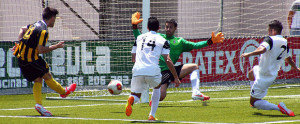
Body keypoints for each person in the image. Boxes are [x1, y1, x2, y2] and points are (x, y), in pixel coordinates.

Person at [131, 12, 224, 102]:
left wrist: (210, 41)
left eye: (171, 27)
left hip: (172, 70)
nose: (168, 29)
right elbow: (139, 38)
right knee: (161, 96)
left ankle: (196, 92)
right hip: (160, 71)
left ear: (175, 28)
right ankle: (151, 100)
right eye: (166, 27)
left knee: (194, 67)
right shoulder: (158, 37)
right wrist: (135, 27)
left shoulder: (180, 42)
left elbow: (195, 45)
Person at [12, 7, 76, 116]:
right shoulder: (43, 31)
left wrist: (19, 43)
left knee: (38, 79)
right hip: (31, 59)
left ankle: (41, 104)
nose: (55, 21)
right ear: (52, 18)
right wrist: (56, 46)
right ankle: (63, 92)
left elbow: (22, 29)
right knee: (47, 75)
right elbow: (41, 50)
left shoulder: (35, 24)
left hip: (21, 58)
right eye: (55, 18)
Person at [240, 20, 300, 116]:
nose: (268, 32)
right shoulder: (285, 42)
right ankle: (255, 93)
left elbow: (262, 49)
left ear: (273, 30)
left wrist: (249, 53)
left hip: (264, 75)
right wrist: (296, 68)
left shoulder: (270, 39)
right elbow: (288, 59)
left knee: (253, 102)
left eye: (269, 30)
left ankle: (279, 108)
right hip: (265, 71)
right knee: (251, 72)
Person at [125, 17, 181, 120]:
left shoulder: (139, 38)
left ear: (147, 27)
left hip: (138, 69)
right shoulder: (164, 40)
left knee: (136, 94)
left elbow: (133, 58)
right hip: (152, 70)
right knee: (157, 87)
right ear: (159, 28)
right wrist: (176, 77)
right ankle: (152, 115)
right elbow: (168, 60)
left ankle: (132, 98)